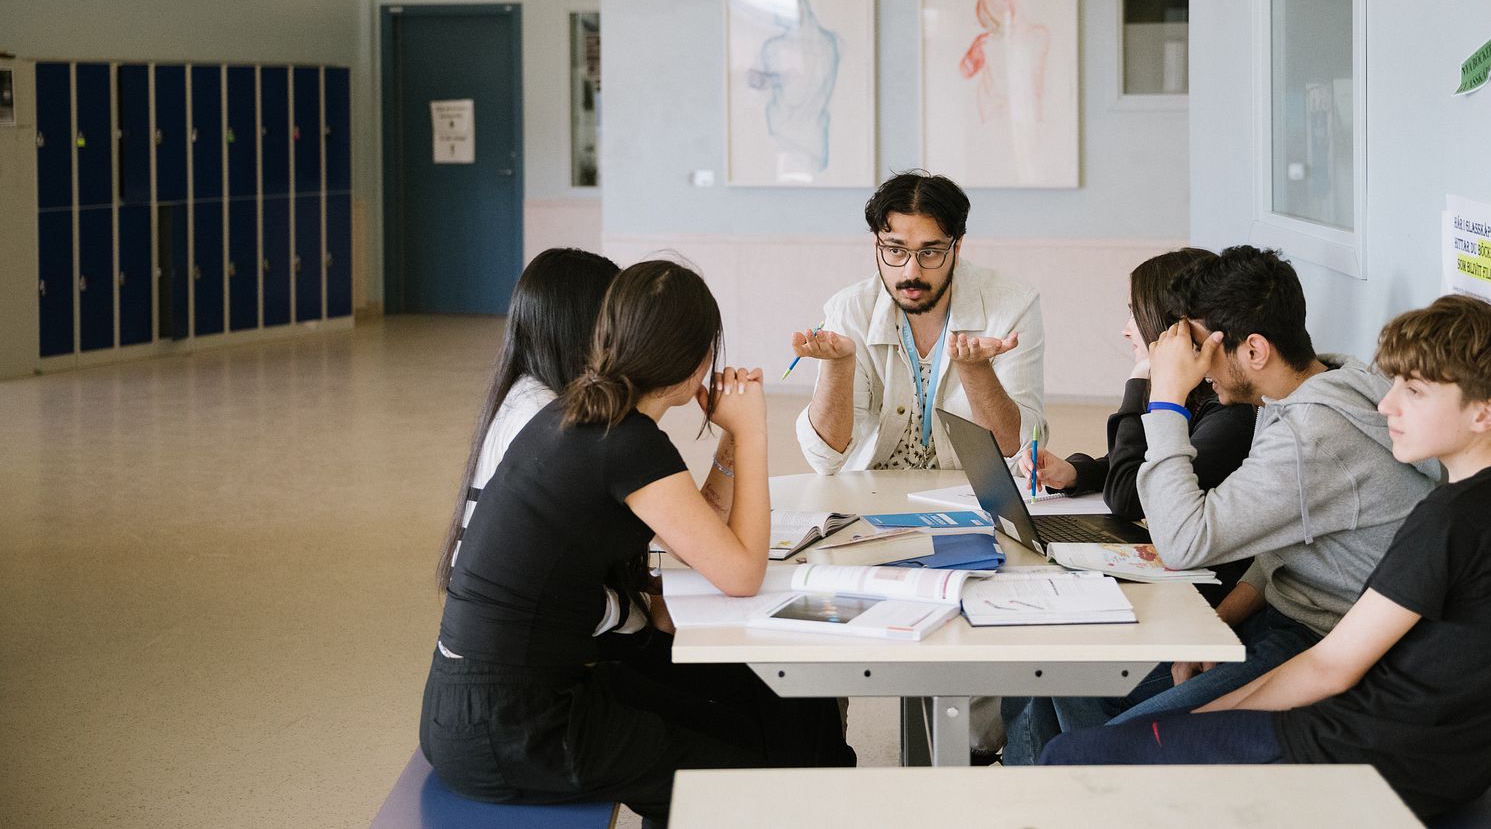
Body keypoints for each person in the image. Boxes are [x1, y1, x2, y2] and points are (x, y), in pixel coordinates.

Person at [1042, 294, 1491, 822]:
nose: (1387, 405)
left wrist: (1198, 722)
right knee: (1102, 737)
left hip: (1360, 758)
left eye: (1414, 391)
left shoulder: (1455, 519)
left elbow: (1330, 668)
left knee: (1072, 761)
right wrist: (1199, 722)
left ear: (1485, 413)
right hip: (1399, 753)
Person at [420, 261, 854, 822]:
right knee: (744, 775)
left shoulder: (584, 416)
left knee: (767, 717)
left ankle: (822, 805)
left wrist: (731, 440)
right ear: (699, 360)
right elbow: (742, 574)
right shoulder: (626, 443)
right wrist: (750, 431)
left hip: (495, 703)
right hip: (513, 726)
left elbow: (698, 536)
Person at [1002, 245, 1439, 765]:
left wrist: (1166, 398)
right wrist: (1217, 623)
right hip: (1282, 620)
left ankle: (1095, 782)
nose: (1198, 367)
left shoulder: (1311, 435)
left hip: (1321, 646)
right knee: (1061, 678)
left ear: (1254, 350)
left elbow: (1182, 543)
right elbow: (1282, 547)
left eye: (1202, 348)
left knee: (1093, 744)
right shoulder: (1322, 386)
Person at [1001, 248, 1258, 763]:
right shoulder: (1203, 401)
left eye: (1133, 316)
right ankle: (1031, 769)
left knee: (1058, 663)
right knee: (1034, 663)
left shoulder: (1231, 417)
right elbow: (1143, 465)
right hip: (1181, 584)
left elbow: (1127, 495)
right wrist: (1078, 472)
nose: (1125, 330)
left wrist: (1143, 381)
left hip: (1203, 599)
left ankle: (1052, 770)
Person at [792, 170, 1045, 473]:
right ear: (876, 246)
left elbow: (1018, 454)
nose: (911, 272)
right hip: (870, 495)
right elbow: (824, 460)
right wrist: (839, 367)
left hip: (965, 493)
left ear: (957, 247)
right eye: (895, 250)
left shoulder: (1013, 305)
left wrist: (977, 371)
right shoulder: (849, 309)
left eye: (930, 252)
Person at [436, 247, 621, 591]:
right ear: (583, 327)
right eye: (617, 320)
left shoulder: (526, 393)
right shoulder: (544, 414)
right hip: (525, 609)